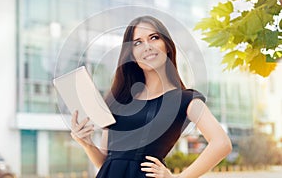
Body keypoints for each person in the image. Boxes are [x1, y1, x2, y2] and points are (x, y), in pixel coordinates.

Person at [71, 15, 232, 178]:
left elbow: (222, 143)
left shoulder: (185, 100)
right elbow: (106, 162)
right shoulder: (120, 100)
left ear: (167, 45)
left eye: (154, 38)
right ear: (132, 54)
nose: (147, 46)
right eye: (137, 42)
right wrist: (87, 144)